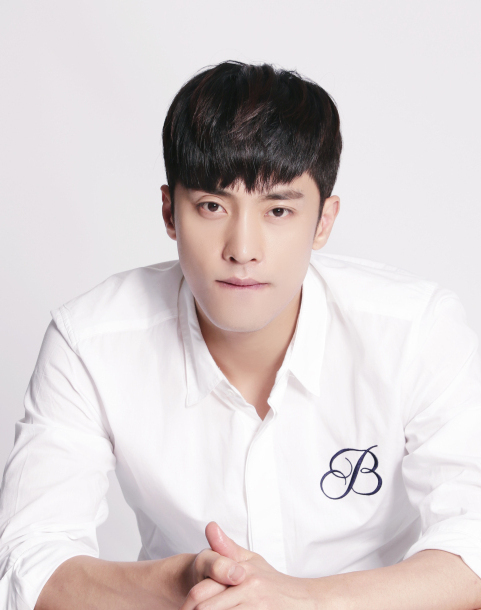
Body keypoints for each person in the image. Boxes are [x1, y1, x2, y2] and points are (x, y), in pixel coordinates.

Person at [1, 60, 481, 610]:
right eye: (212, 206)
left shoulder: (415, 330)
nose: (243, 249)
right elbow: (27, 562)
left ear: (323, 221)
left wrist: (303, 600)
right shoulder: (89, 341)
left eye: (278, 210)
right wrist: (180, 581)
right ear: (169, 212)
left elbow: (474, 539)